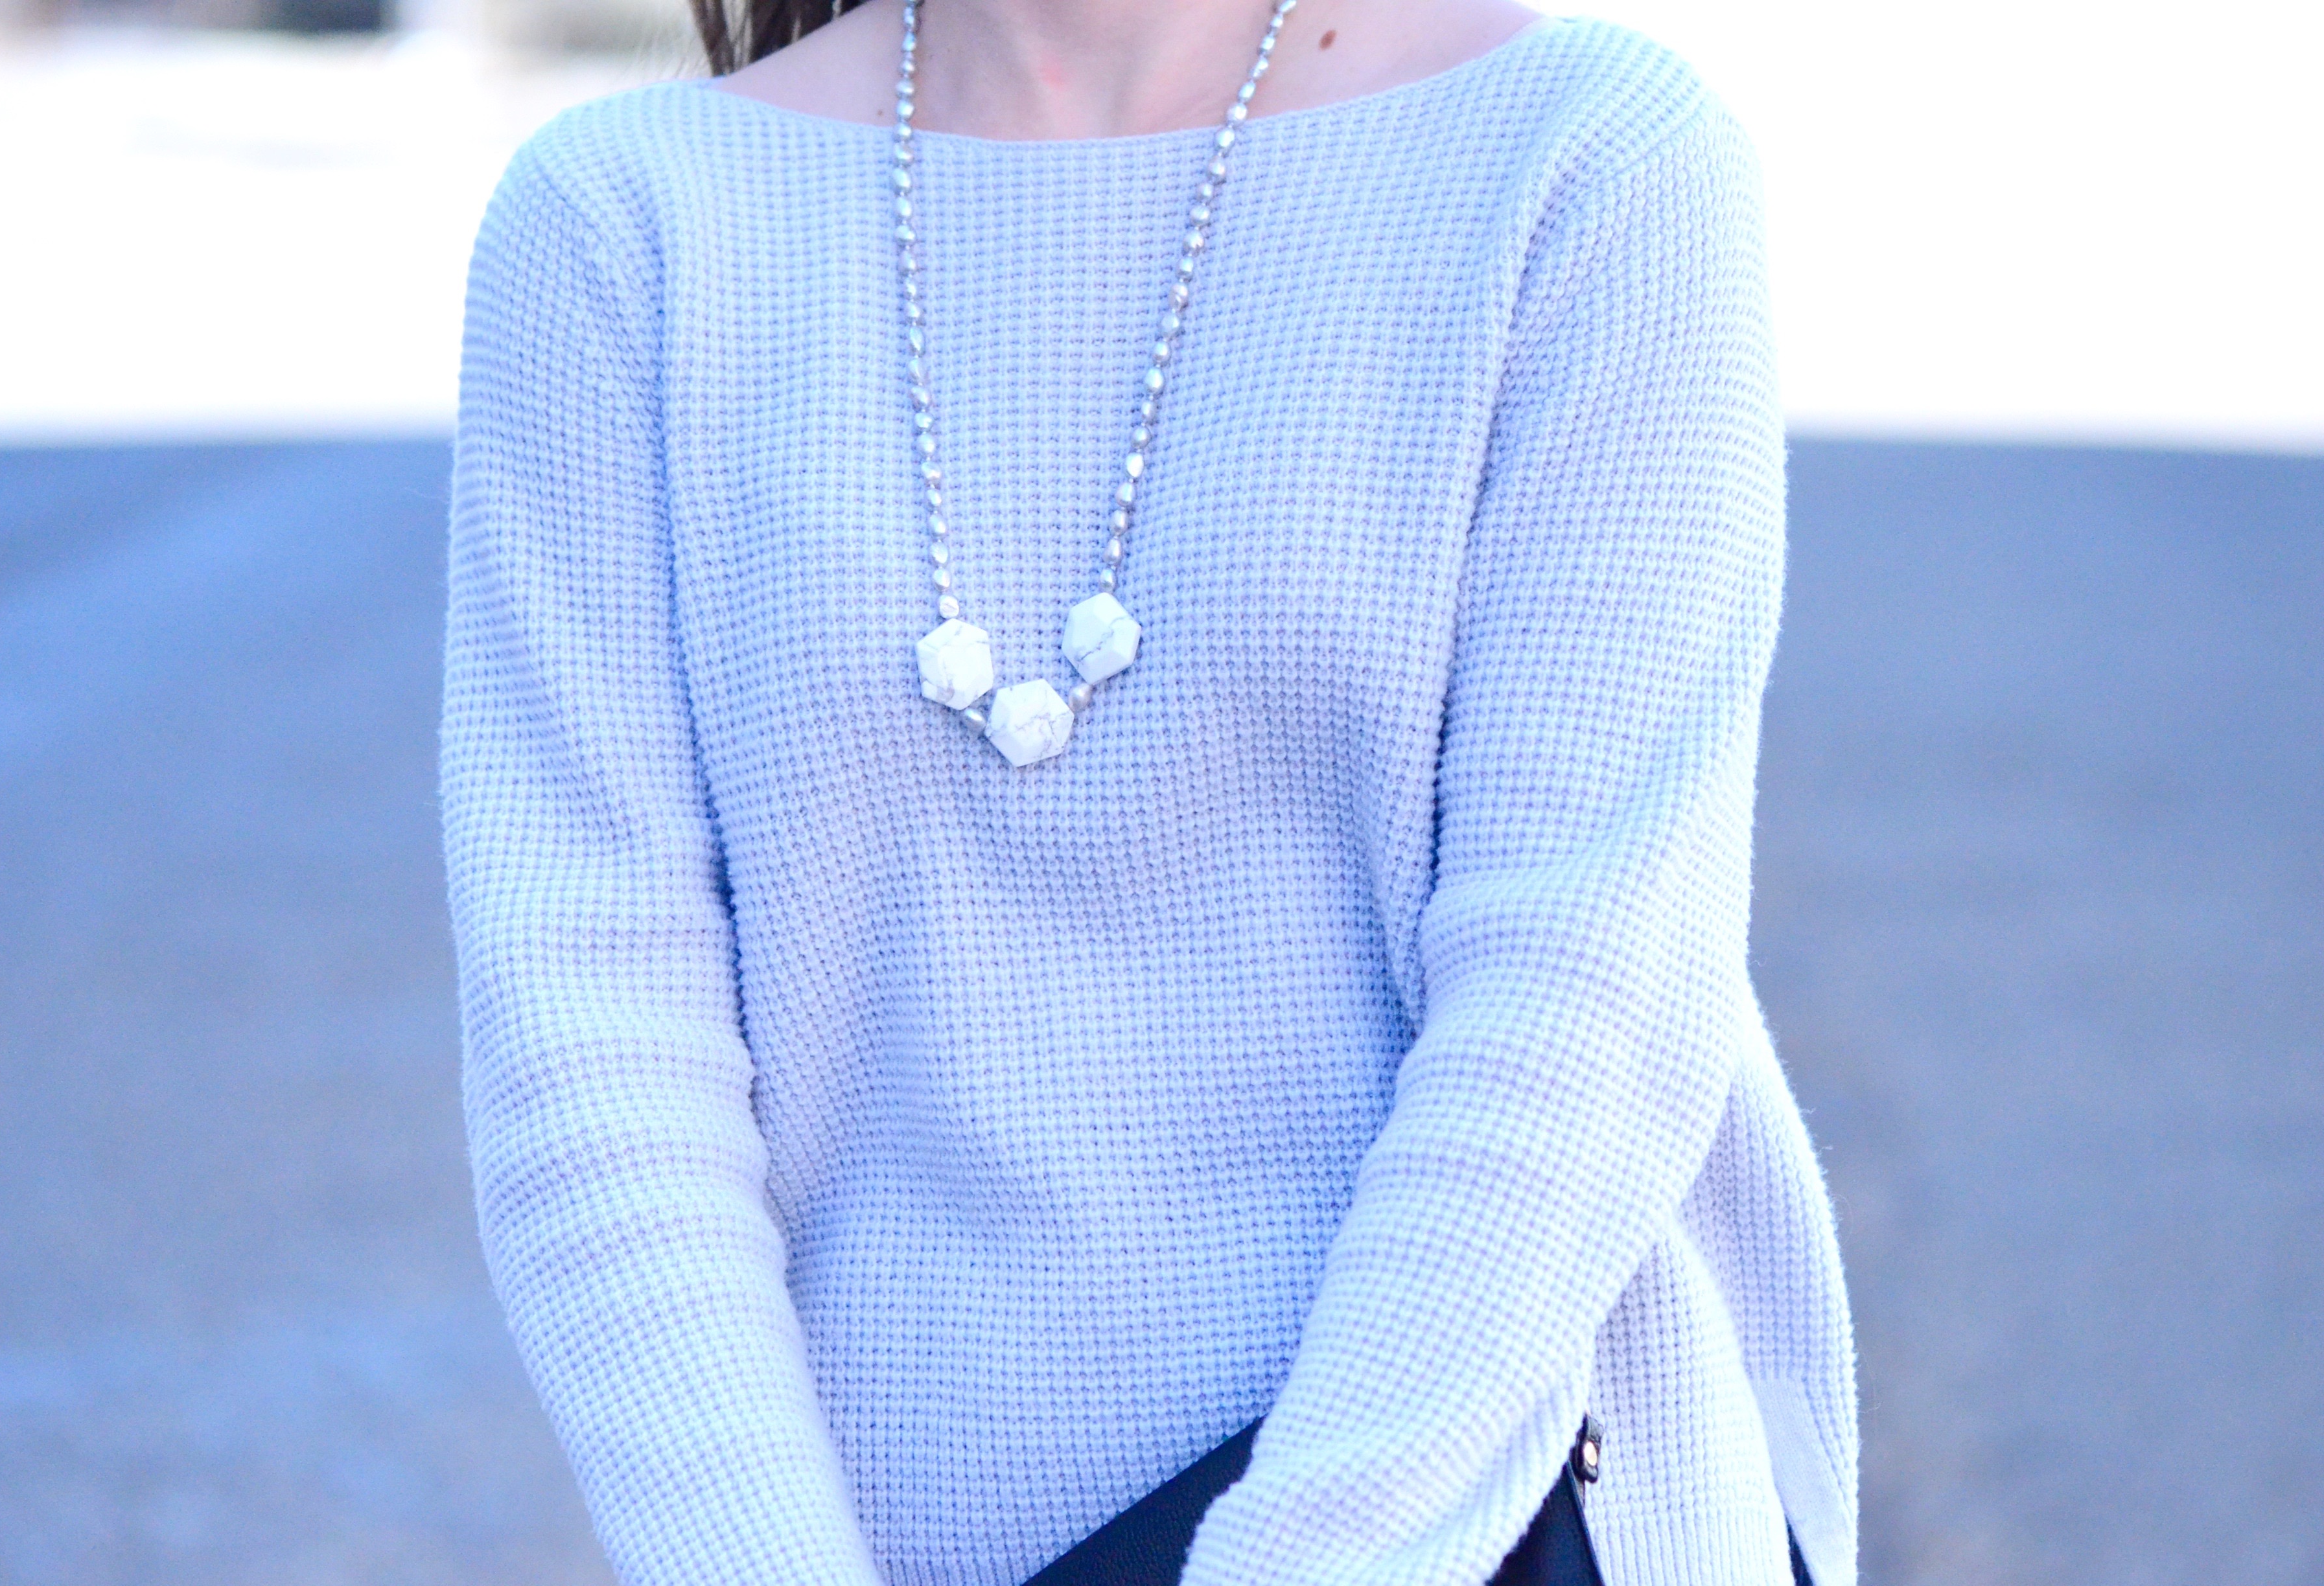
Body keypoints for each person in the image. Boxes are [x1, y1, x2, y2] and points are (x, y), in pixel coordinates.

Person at [439, 0, 1858, 1581]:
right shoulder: (623, 222)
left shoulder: (1589, 158)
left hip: (1476, 1527)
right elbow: (592, 1055)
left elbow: (1590, 1004)